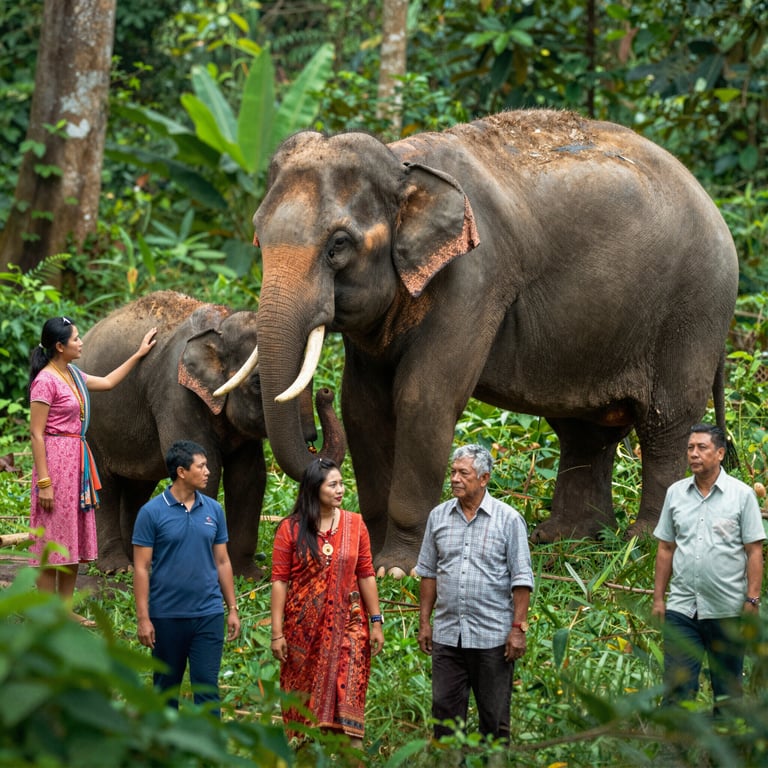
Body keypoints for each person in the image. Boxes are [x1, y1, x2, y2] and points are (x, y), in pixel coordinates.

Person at [29, 315, 156, 623]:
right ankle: (44, 613)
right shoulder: (45, 381)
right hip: (55, 464)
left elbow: (109, 382)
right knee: (52, 537)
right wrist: (44, 482)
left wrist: (139, 354)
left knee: (71, 535)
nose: (81, 342)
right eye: (75, 338)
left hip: (77, 463)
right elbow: (36, 433)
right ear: (60, 346)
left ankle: (64, 609)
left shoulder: (72, 374)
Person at [415, 443, 534, 743]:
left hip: (492, 638)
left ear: (484, 478)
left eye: (463, 473)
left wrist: (518, 629)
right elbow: (428, 572)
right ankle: (450, 762)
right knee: (444, 717)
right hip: (447, 636)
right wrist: (425, 622)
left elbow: (522, 579)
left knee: (494, 720)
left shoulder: (508, 520)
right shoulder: (438, 517)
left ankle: (492, 762)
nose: (455, 478)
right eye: (453, 472)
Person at [270, 458, 384, 751]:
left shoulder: (355, 524)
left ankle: (354, 756)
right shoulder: (290, 529)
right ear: (314, 488)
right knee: (303, 712)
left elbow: (366, 573)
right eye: (333, 484)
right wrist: (277, 633)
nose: (340, 489)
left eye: (342, 484)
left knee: (350, 707)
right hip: (302, 633)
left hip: (350, 626)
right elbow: (280, 581)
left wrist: (376, 621)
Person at [652, 423, 765, 714]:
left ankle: (723, 740)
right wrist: (659, 599)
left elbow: (754, 551)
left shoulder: (741, 495)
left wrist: (752, 600)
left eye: (702, 447)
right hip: (682, 609)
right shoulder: (675, 494)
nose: (694, 453)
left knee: (727, 694)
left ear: (720, 453)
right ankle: (677, 741)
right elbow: (666, 548)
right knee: (677, 688)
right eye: (690, 448)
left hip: (727, 610)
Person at [132, 440, 240, 717]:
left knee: (207, 689)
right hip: (167, 616)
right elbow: (141, 568)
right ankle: (164, 742)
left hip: (208, 614)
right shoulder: (151, 513)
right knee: (165, 691)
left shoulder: (214, 510)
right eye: (201, 466)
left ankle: (209, 744)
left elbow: (223, 561)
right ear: (181, 472)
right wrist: (143, 618)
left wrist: (232, 608)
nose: (207, 471)